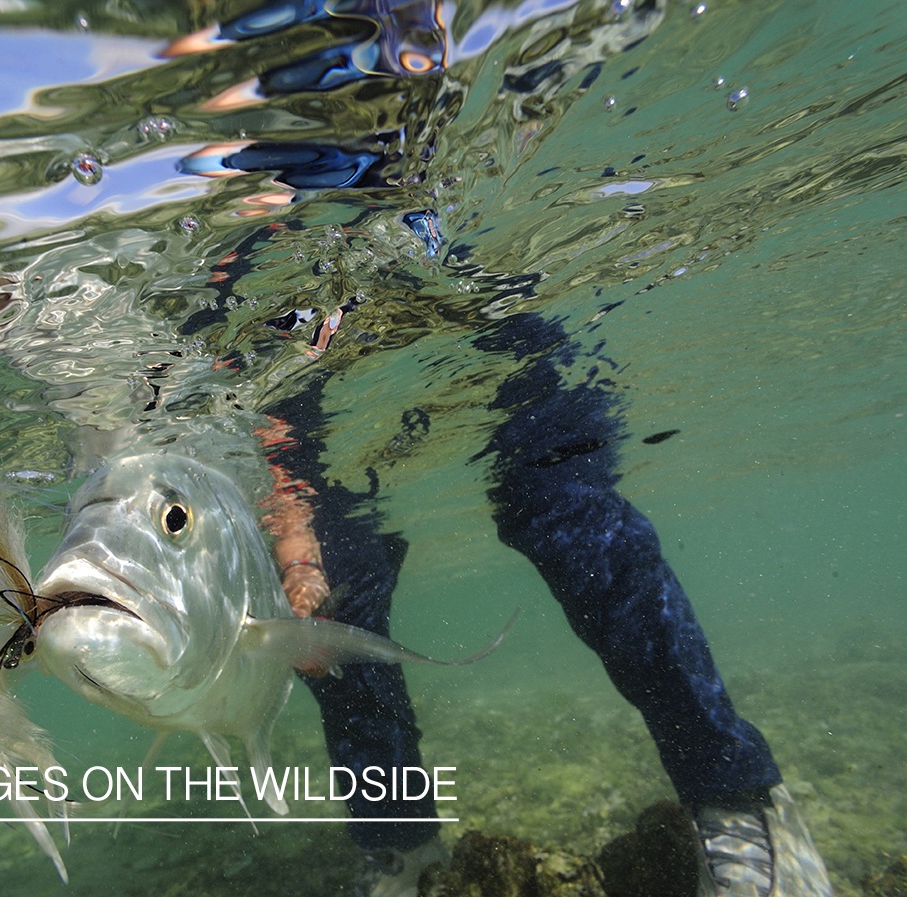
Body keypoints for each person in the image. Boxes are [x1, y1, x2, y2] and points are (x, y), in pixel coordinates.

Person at [192, 1, 834, 895]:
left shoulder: (419, 105)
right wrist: (292, 527)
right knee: (333, 590)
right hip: (309, 344)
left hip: (462, 289)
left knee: (564, 510)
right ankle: (400, 849)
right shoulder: (227, 206)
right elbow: (252, 386)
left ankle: (738, 800)